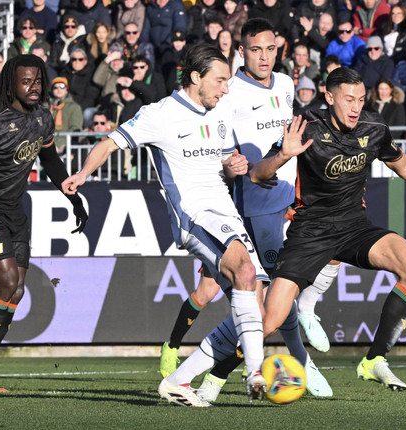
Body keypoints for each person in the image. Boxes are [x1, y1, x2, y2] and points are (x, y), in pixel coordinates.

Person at [248, 67, 406, 393]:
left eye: (360, 98)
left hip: (354, 227)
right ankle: (212, 371)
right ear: (329, 97)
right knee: (270, 320)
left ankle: (373, 360)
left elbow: (403, 164)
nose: (356, 106)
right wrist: (283, 155)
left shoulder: (374, 127)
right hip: (310, 231)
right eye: (348, 99)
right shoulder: (306, 126)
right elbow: (258, 175)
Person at [61, 44, 267, 407]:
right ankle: (256, 372)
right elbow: (109, 143)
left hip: (226, 214)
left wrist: (231, 166)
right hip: (194, 216)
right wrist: (81, 174)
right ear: (195, 78)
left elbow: (216, 162)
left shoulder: (218, 111)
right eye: (219, 81)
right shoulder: (159, 114)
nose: (225, 88)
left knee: (256, 305)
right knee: (245, 272)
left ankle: (177, 381)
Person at [160, 18, 334, 403]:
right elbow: (229, 154)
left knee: (285, 290)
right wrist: (234, 164)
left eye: (270, 49)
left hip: (287, 198)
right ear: (242, 52)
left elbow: (281, 139)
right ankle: (299, 361)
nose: (264, 57)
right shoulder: (229, 90)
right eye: (255, 49)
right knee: (265, 305)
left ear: (279, 49)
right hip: (252, 209)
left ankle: (298, 328)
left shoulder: (287, 84)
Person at [0, 54, 88, 394]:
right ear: (11, 82)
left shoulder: (42, 117)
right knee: (7, 281)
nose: (34, 87)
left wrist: (72, 196)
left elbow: (50, 159)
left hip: (15, 211)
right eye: (26, 81)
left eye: (38, 80)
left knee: (18, 290)